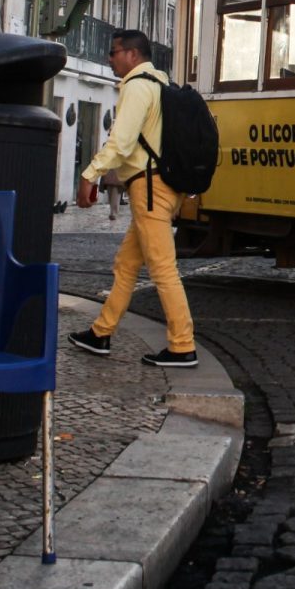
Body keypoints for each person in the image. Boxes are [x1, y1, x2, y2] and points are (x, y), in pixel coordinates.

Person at [67, 29, 197, 367]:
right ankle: (101, 333)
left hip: (149, 188)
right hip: (157, 187)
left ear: (133, 55)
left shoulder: (138, 86)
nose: (109, 59)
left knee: (163, 269)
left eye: (114, 52)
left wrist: (89, 174)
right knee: (126, 265)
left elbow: (121, 143)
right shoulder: (159, 84)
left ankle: (182, 346)